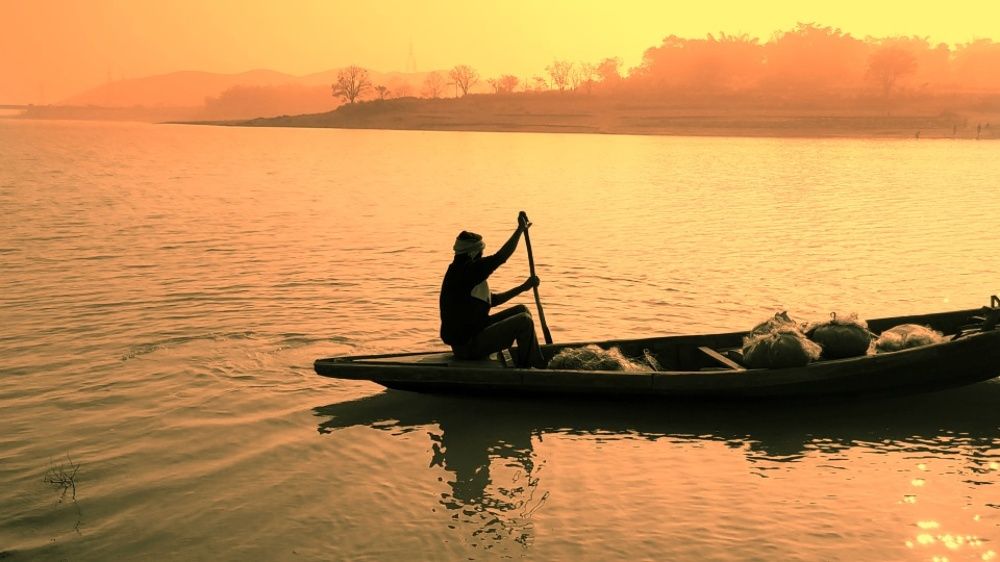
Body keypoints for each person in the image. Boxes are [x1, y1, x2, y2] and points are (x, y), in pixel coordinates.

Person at [439, 216, 546, 368]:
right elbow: (500, 257)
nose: (482, 256)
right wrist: (519, 230)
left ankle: (527, 357)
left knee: (522, 310)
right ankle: (535, 367)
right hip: (468, 346)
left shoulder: (462, 270)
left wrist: (523, 287)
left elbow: (493, 300)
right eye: (481, 252)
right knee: (524, 321)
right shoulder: (467, 271)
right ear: (473, 253)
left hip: (476, 331)